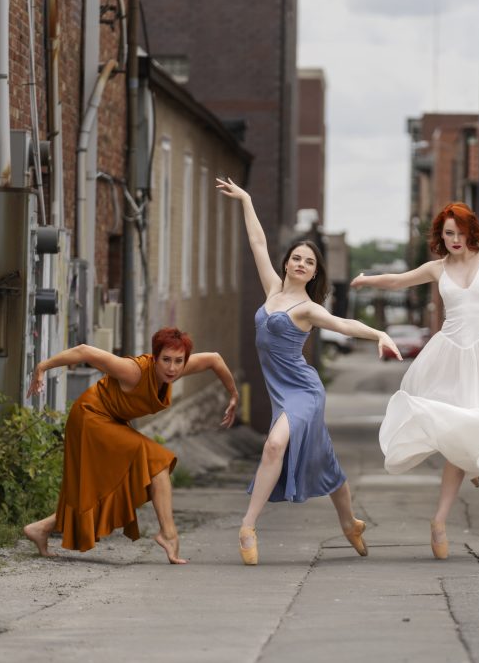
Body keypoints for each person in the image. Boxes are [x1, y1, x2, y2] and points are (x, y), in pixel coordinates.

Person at [350, 161, 479, 559]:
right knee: (455, 429)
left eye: (460, 232)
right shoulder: (438, 268)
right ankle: (442, 519)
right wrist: (367, 280)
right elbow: (398, 280)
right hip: (448, 354)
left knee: (477, 423)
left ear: (471, 233)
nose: (455, 239)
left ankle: (471, 466)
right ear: (441, 236)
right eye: (448, 233)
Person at [216, 177, 402, 566]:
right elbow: (257, 243)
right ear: (287, 262)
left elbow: (346, 325)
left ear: (315, 273)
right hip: (280, 390)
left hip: (304, 390)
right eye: (297, 258)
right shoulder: (271, 291)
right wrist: (248, 200)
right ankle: (350, 523)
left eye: (310, 262)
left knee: (273, 445)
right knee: (324, 460)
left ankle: (247, 527)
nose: (301, 264)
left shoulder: (307, 308)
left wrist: (379, 332)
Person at [23, 328, 239, 563]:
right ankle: (168, 534)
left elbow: (215, 359)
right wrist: (42, 367)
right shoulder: (133, 372)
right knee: (157, 460)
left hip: (111, 421)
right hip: (90, 417)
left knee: (115, 483)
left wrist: (234, 395)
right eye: (166, 360)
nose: (172, 368)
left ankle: (42, 528)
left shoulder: (176, 369)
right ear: (155, 358)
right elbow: (84, 351)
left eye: (179, 361)